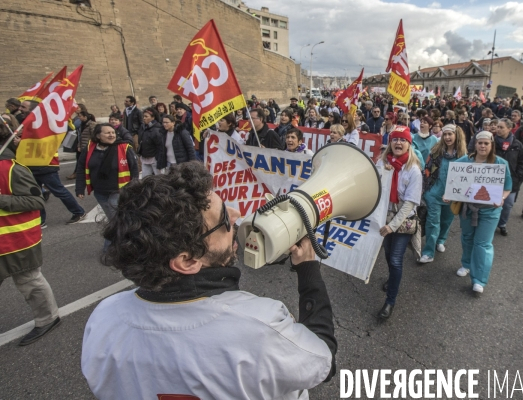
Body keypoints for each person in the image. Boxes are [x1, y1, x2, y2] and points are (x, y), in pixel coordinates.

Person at [81, 162, 337, 399]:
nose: (236, 215)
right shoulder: (260, 327)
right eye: (224, 218)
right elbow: (322, 360)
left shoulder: (103, 317)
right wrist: (308, 269)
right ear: (188, 260)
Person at [0, 125, 61, 346]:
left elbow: (36, 200)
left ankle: (48, 318)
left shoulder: (12, 169)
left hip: (15, 240)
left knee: (29, 281)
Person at [452, 131, 512, 293]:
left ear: (492, 145)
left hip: (490, 210)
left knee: (482, 244)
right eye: (480, 143)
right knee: (467, 237)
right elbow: (453, 180)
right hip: (467, 208)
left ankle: (479, 280)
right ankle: (466, 264)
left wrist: (502, 198)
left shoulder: (501, 164)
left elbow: (507, 187)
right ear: (475, 144)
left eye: (486, 143)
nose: (483, 146)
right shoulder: (465, 161)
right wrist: (448, 194)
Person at [377, 126, 422, 319]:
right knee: (387, 254)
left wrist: (392, 226)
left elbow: (410, 203)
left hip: (403, 220)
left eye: (402, 140)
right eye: (395, 139)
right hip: (384, 216)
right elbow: (374, 187)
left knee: (396, 259)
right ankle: (392, 278)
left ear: (408, 145)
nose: (398, 143)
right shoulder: (382, 163)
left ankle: (390, 301)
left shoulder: (413, 170)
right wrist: (384, 174)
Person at [75, 123, 138, 248]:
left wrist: (134, 189)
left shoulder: (124, 147)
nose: (111, 135)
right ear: (98, 136)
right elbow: (81, 167)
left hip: (119, 191)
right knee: (115, 219)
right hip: (99, 191)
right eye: (107, 133)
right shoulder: (90, 148)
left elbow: (134, 170)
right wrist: (80, 187)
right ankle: (129, 242)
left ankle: (111, 246)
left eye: (113, 132)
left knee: (116, 219)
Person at [419, 124, 467, 263]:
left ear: (456, 135)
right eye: (445, 134)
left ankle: (441, 240)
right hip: (434, 194)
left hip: (452, 196)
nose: (447, 137)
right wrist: (424, 190)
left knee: (446, 221)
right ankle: (428, 252)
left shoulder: (463, 156)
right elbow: (426, 171)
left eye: (450, 134)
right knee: (432, 223)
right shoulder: (435, 151)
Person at [495, 119, 523, 236]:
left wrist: (518, 177)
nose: (498, 129)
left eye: (501, 127)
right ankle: (492, 223)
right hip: (493, 180)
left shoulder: (517, 145)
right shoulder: (491, 143)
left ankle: (502, 224)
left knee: (508, 204)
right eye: (497, 127)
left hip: (511, 180)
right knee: (492, 202)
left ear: (509, 129)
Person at [138, 108, 164, 177]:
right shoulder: (143, 128)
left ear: (153, 117)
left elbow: (160, 146)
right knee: (145, 179)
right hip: (145, 157)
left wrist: (159, 160)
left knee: (159, 179)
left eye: (146, 116)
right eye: (143, 116)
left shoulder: (157, 130)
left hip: (154, 159)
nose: (144, 118)